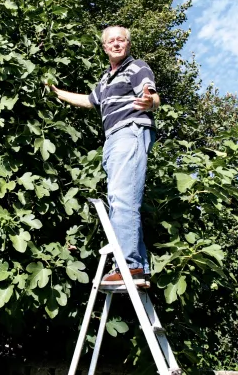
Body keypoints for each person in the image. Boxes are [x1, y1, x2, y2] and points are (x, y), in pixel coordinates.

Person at [48, 26, 159, 288]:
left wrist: (150, 102)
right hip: (112, 139)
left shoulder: (136, 67)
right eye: (111, 41)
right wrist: (55, 91)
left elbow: (151, 94)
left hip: (128, 132)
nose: (116, 44)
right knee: (122, 198)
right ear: (105, 47)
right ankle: (138, 268)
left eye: (121, 40)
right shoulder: (105, 80)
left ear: (128, 44)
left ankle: (129, 266)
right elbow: (88, 101)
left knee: (122, 200)